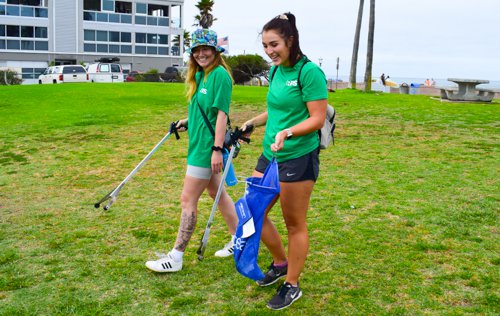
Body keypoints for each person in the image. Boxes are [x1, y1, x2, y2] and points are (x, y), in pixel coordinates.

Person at [241, 12, 328, 310]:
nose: (269, 51)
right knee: (254, 212)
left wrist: (288, 133)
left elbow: (316, 118)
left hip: (298, 155)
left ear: (291, 40)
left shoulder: (309, 72)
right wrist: (254, 121)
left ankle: (292, 283)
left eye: (274, 44)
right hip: (270, 153)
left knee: (294, 224)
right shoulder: (276, 72)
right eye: (265, 45)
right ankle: (280, 263)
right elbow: (277, 110)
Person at [145, 28, 238, 273]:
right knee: (217, 193)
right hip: (197, 144)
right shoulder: (200, 76)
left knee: (188, 200)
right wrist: (185, 122)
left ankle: (175, 257)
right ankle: (239, 239)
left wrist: (217, 149)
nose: (200, 54)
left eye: (205, 49)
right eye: (196, 50)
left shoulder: (219, 75)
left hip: (206, 150)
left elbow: (221, 115)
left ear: (215, 50)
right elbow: (203, 112)